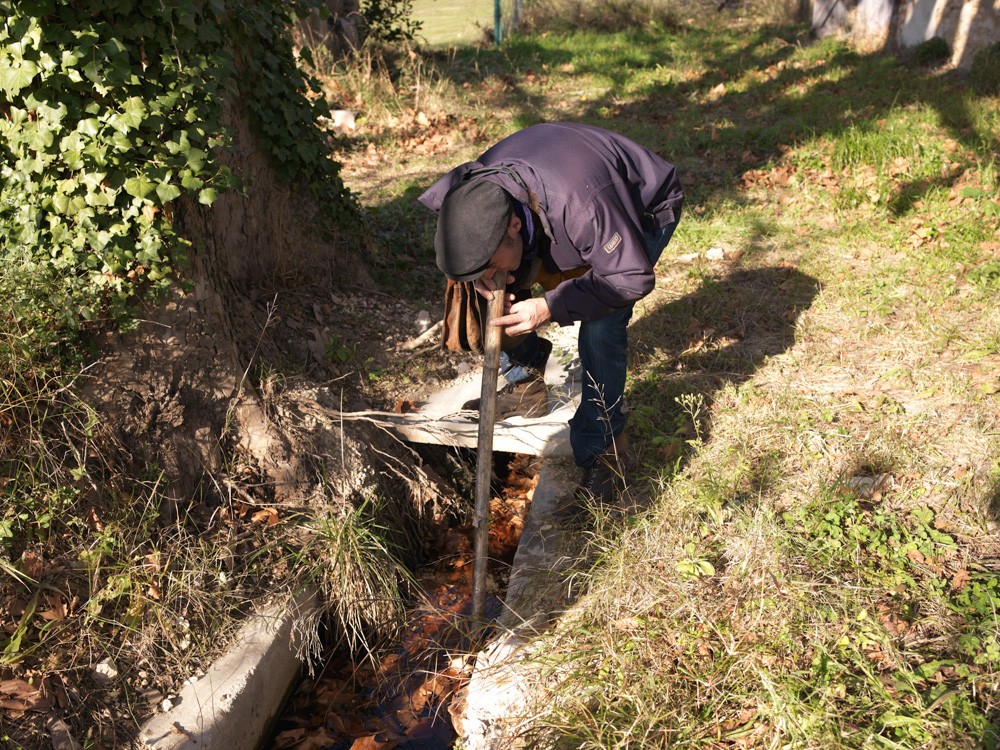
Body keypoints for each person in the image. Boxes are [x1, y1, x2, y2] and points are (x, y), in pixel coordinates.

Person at [419, 122, 683, 511]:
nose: (487, 278)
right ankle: (525, 379)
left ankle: (606, 451)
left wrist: (548, 306)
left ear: (513, 226)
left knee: (601, 326)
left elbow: (630, 278)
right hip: (556, 205)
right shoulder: (477, 195)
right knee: (505, 286)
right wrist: (481, 279)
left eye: (488, 267)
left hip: (640, 208)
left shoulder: (583, 206)